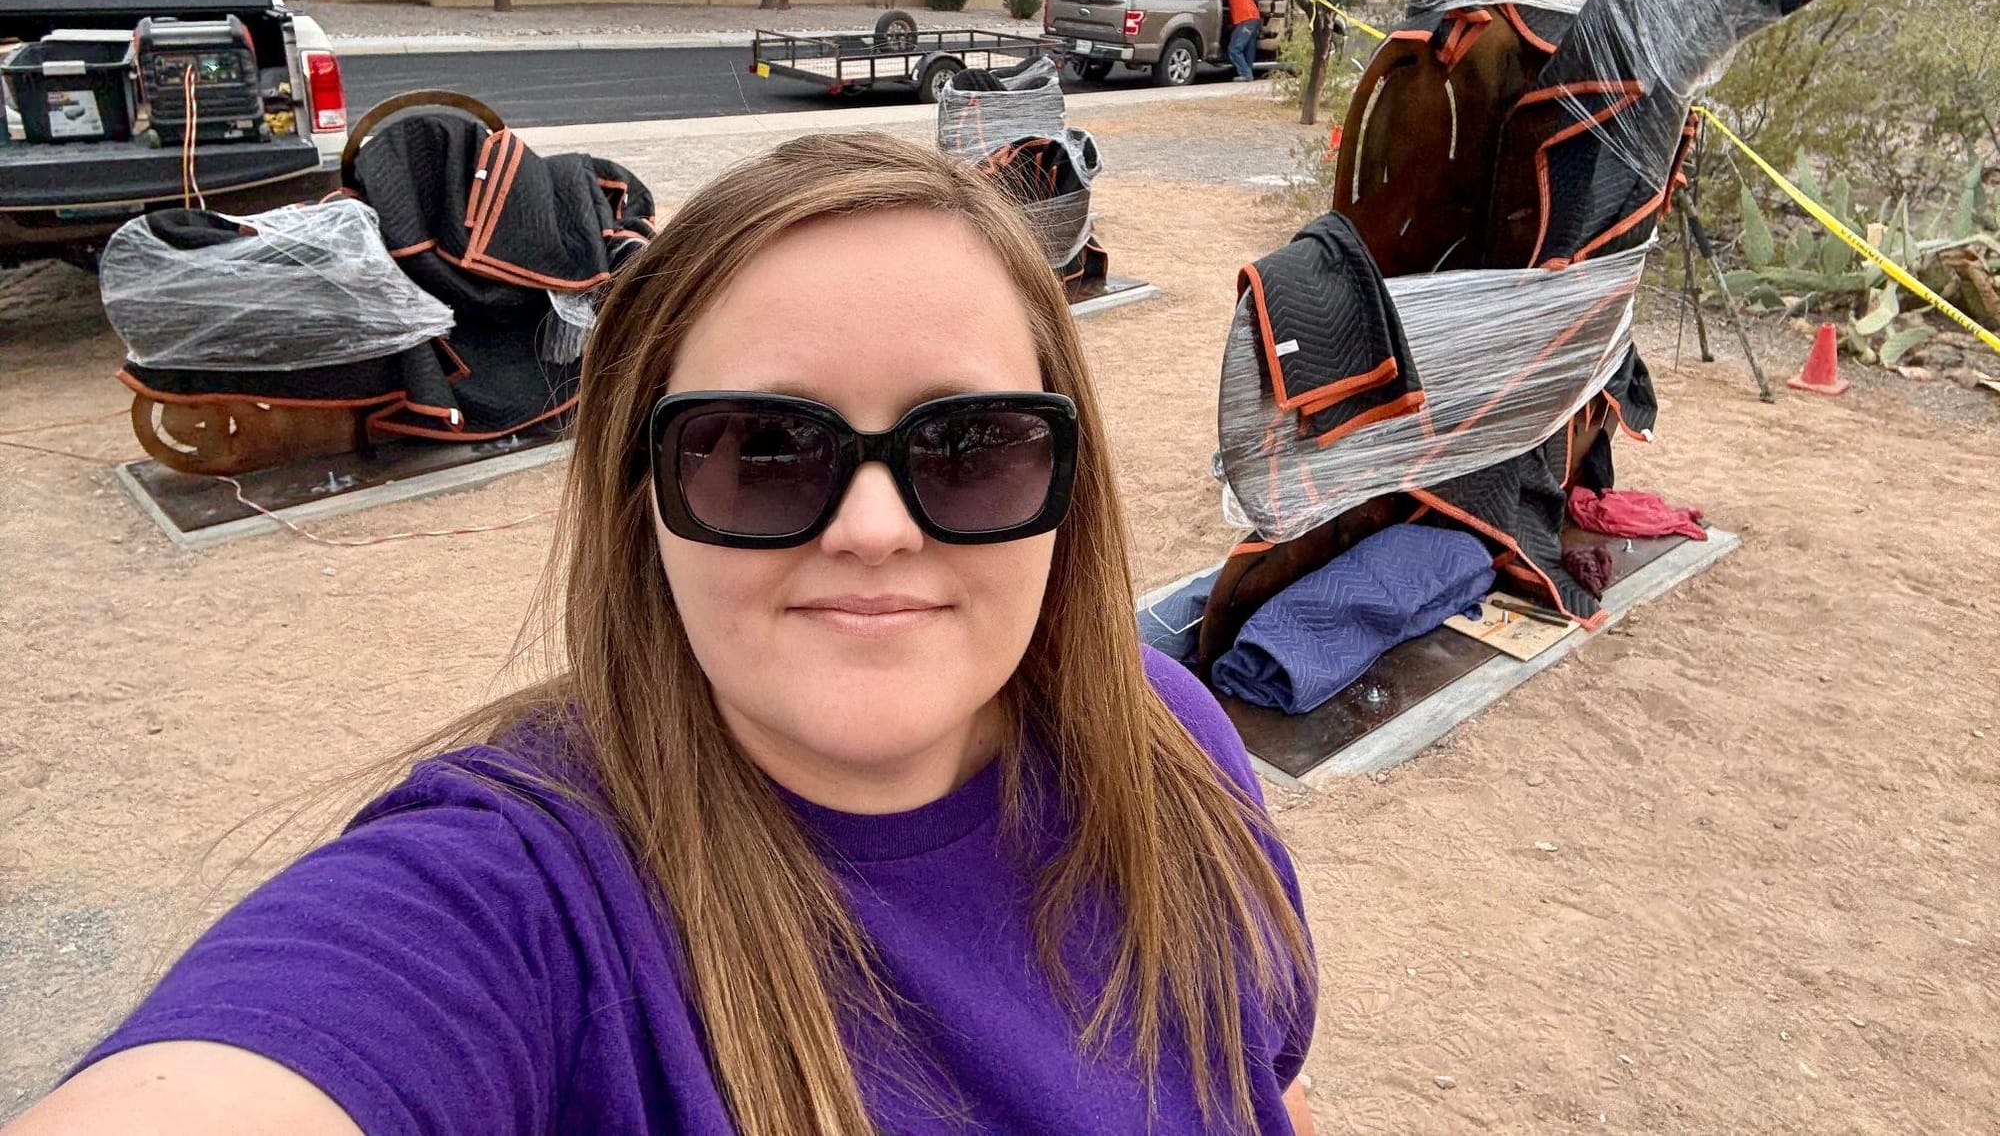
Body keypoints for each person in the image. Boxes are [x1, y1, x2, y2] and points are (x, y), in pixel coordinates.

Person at [12, 132, 1319, 1136]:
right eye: (760, 450)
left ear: (1063, 492)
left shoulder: (1167, 740)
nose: (872, 530)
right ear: (642, 507)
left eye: (971, 446)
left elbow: (1263, 1091)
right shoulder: (524, 899)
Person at [1220, 0, 1263, 81]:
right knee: (1249, 48)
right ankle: (1248, 72)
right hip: (1254, 19)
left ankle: (1245, 74)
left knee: (1234, 49)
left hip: (1245, 19)